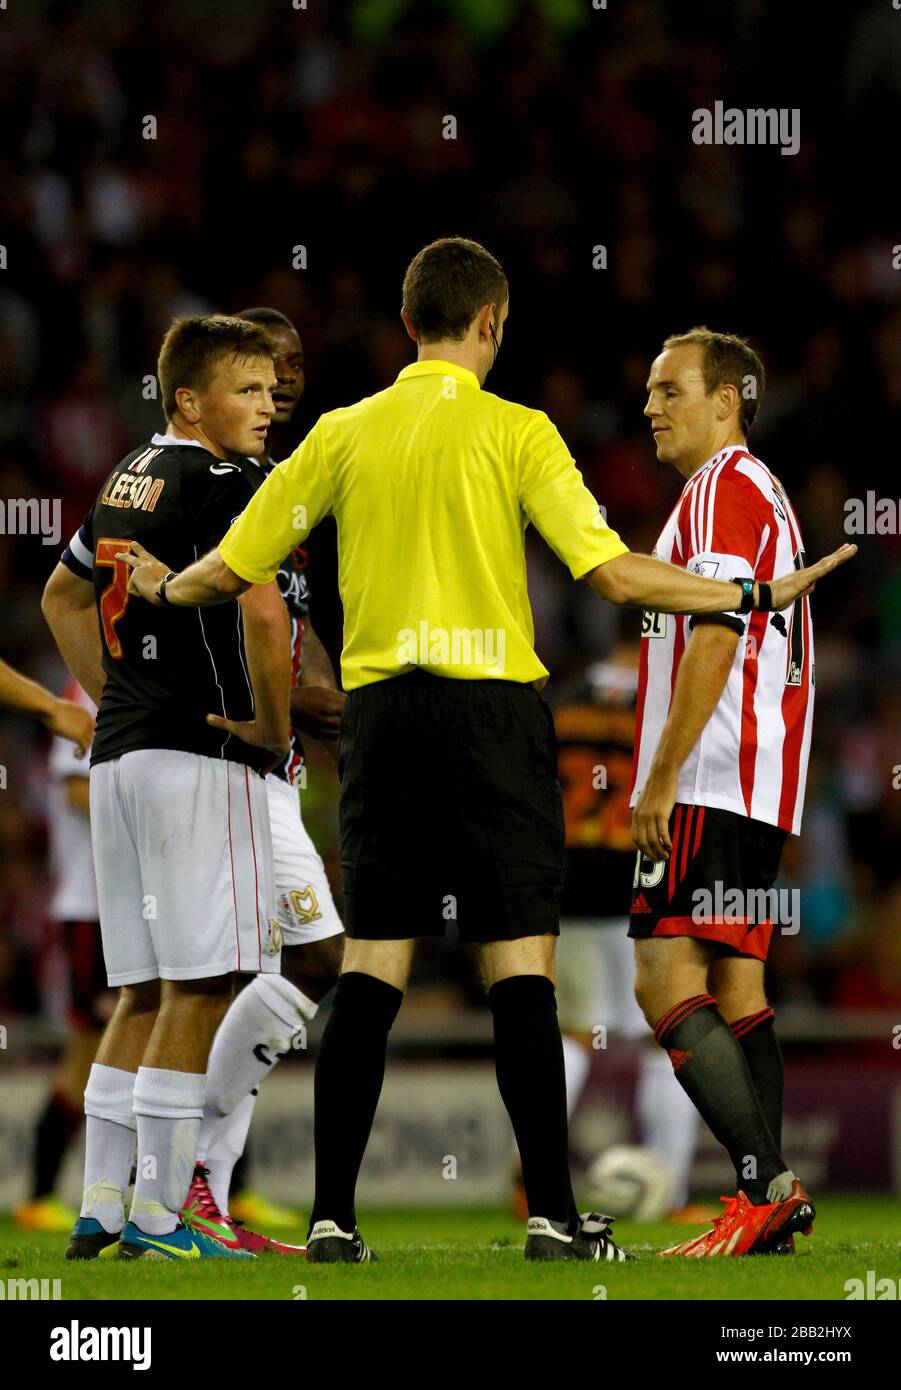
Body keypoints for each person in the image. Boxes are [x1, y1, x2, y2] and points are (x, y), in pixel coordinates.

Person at [116, 238, 855, 1264]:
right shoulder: (519, 430)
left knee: (374, 962)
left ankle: (333, 1216)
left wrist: (158, 586)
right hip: (496, 716)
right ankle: (553, 1215)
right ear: (493, 322)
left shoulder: (339, 431)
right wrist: (749, 594)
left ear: (409, 321)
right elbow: (613, 576)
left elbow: (232, 563)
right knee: (521, 965)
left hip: (382, 718)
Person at [42, 313, 291, 1261]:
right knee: (202, 985)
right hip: (198, 755)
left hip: (119, 760)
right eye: (248, 390)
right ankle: (158, 1218)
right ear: (189, 400)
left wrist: (115, 699)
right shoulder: (227, 481)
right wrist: (268, 728)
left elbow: (58, 597)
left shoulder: (124, 477)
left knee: (140, 992)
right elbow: (262, 607)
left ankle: (100, 1205)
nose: (268, 407)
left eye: (272, 390)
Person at [629, 327, 821, 1257]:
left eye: (670, 390)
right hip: (758, 773)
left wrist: (659, 775)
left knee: (661, 975)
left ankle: (764, 1185)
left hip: (712, 768)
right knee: (736, 983)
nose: (650, 406)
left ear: (725, 401)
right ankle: (769, 1206)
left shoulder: (721, 488)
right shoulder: (758, 490)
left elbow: (714, 630)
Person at [185, 306, 345, 1252]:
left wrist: (319, 686)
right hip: (227, 755)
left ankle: (190, 1190)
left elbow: (291, 611)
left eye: (290, 364)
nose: (281, 382)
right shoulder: (220, 479)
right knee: (306, 960)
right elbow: (235, 612)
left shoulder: (281, 489)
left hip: (269, 762)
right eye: (260, 369)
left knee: (255, 970)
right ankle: (189, 1183)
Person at [537, 641, 704, 1223]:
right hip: (643, 875)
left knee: (577, 1033)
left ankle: (523, 1173)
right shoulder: (663, 701)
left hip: (570, 881)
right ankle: (672, 1189)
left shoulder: (564, 703)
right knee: (667, 1034)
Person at [13, 680, 114, 1233]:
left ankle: (215, 1192)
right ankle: (39, 1193)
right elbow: (78, 788)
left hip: (122, 908)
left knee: (153, 1043)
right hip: (92, 907)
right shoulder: (87, 690)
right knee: (90, 1052)